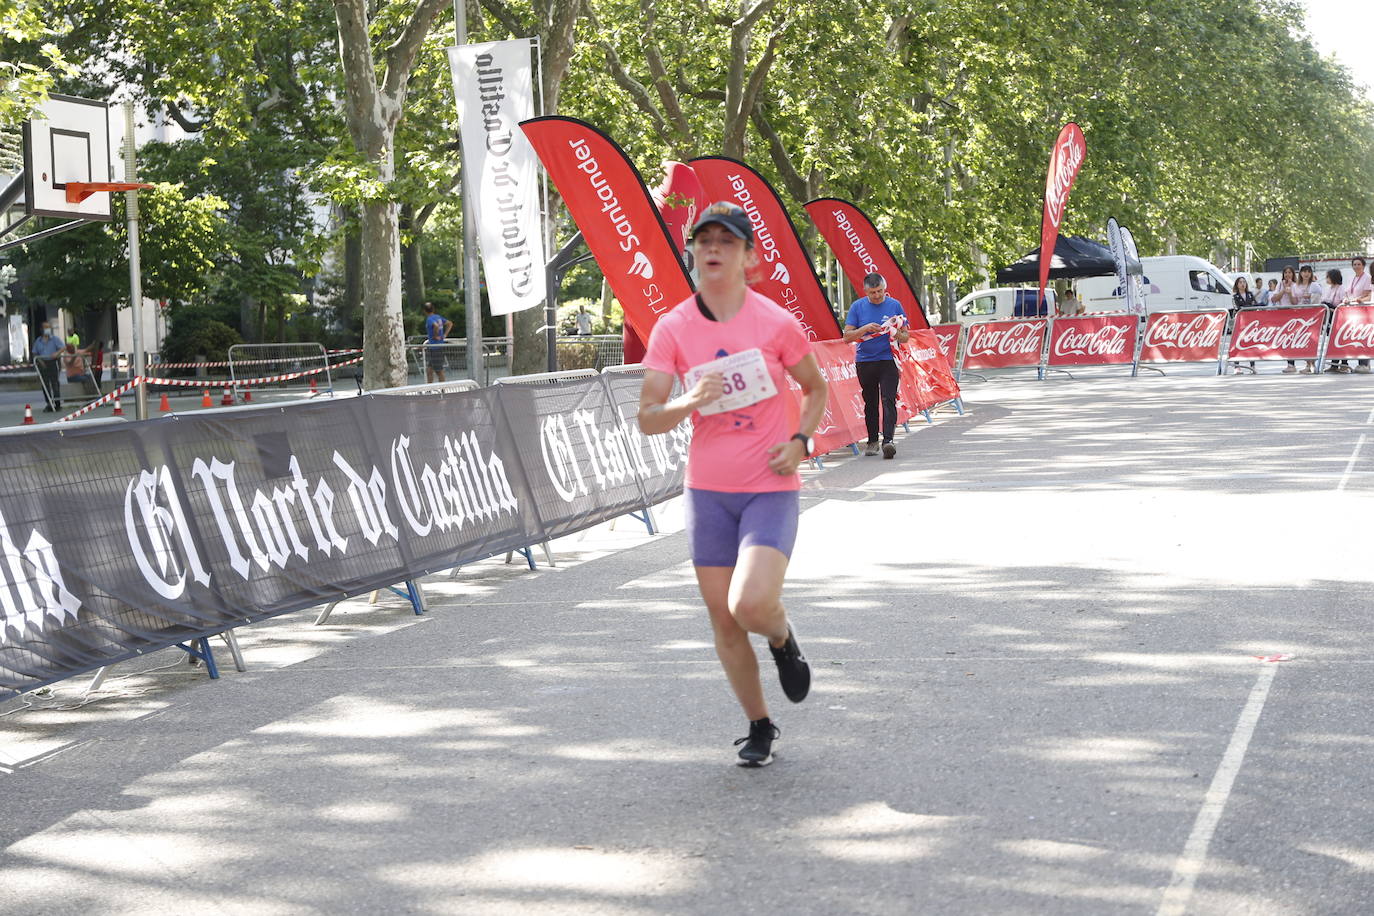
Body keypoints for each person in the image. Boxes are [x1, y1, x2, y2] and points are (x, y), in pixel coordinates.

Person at [638, 201, 828, 767]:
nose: (714, 248)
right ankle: (759, 725)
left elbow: (816, 389)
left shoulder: (775, 323)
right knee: (723, 618)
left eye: (728, 240)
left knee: (751, 604)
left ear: (750, 257)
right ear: (693, 251)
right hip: (708, 493)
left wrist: (800, 441)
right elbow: (648, 417)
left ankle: (780, 635)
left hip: (769, 486)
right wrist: (690, 400)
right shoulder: (673, 328)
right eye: (704, 240)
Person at [843, 273, 911, 458]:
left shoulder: (894, 305)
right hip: (865, 361)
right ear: (865, 291)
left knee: (888, 399)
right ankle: (872, 440)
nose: (877, 295)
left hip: (888, 359)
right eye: (873, 292)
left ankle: (888, 441)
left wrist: (894, 331)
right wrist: (865, 329)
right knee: (870, 401)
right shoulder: (857, 307)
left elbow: (906, 336)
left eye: (880, 291)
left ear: (885, 288)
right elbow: (847, 337)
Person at [1342, 256, 1372, 372]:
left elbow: (1367, 295)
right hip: (1352, 311)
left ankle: (1364, 363)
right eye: (1354, 264)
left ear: (1363, 266)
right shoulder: (1352, 278)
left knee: (1363, 336)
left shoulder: (1367, 278)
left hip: (1363, 310)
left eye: (1359, 264)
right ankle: (1359, 362)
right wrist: (1345, 299)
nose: (1356, 266)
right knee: (1355, 337)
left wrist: (1356, 300)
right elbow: (1347, 293)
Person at [1321, 268, 1350, 373]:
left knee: (1340, 340)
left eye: (1327, 276)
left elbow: (1343, 301)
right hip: (1330, 316)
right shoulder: (1329, 288)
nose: (1326, 279)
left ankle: (1344, 363)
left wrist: (1332, 308)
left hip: (1338, 316)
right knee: (1333, 341)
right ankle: (1334, 364)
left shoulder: (1341, 288)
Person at [31, 321, 63, 411]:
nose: (47, 329)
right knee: (45, 384)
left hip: (52, 362)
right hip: (43, 364)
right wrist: (40, 362)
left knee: (55, 383)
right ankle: (49, 403)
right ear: (42, 329)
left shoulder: (54, 339)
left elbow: (63, 347)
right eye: (46, 327)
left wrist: (57, 353)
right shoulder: (38, 341)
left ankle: (57, 403)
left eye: (49, 327)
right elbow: (35, 353)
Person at [1230, 277, 1259, 374]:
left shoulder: (1250, 294)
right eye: (1240, 282)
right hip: (1239, 323)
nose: (1242, 284)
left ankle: (1252, 366)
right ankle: (1236, 366)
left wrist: (1247, 307)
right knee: (1237, 344)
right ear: (1237, 285)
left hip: (1250, 322)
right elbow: (1237, 308)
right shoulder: (1235, 297)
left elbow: (1255, 305)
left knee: (1251, 344)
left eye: (1244, 282)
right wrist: (1248, 307)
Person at [422, 301, 452, 383]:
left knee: (439, 370)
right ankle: (429, 388)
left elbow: (436, 326)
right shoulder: (438, 317)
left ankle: (443, 390)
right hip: (436, 347)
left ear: (424, 311)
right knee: (429, 370)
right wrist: (445, 334)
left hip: (435, 348)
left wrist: (435, 335)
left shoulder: (429, 319)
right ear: (433, 309)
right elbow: (449, 323)